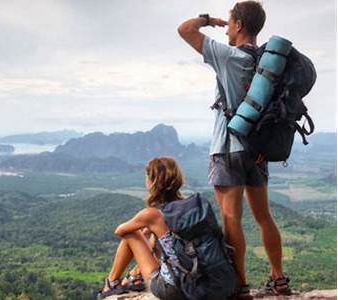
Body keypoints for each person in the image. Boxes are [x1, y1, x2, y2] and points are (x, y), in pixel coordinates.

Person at [177, 1, 290, 298]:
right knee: (264, 216)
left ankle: (240, 286)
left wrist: (209, 19)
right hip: (258, 150)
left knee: (231, 218)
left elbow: (184, 29)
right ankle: (279, 279)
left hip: (227, 148)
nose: (225, 28)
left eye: (229, 23)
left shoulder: (228, 56)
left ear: (239, 25)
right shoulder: (267, 63)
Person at [96, 156, 237, 300]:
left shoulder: (152, 214)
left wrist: (146, 227)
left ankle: (111, 283)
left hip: (177, 289)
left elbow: (120, 231)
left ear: (152, 181)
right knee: (159, 238)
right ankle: (134, 275)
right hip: (220, 284)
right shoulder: (196, 206)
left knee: (132, 235)